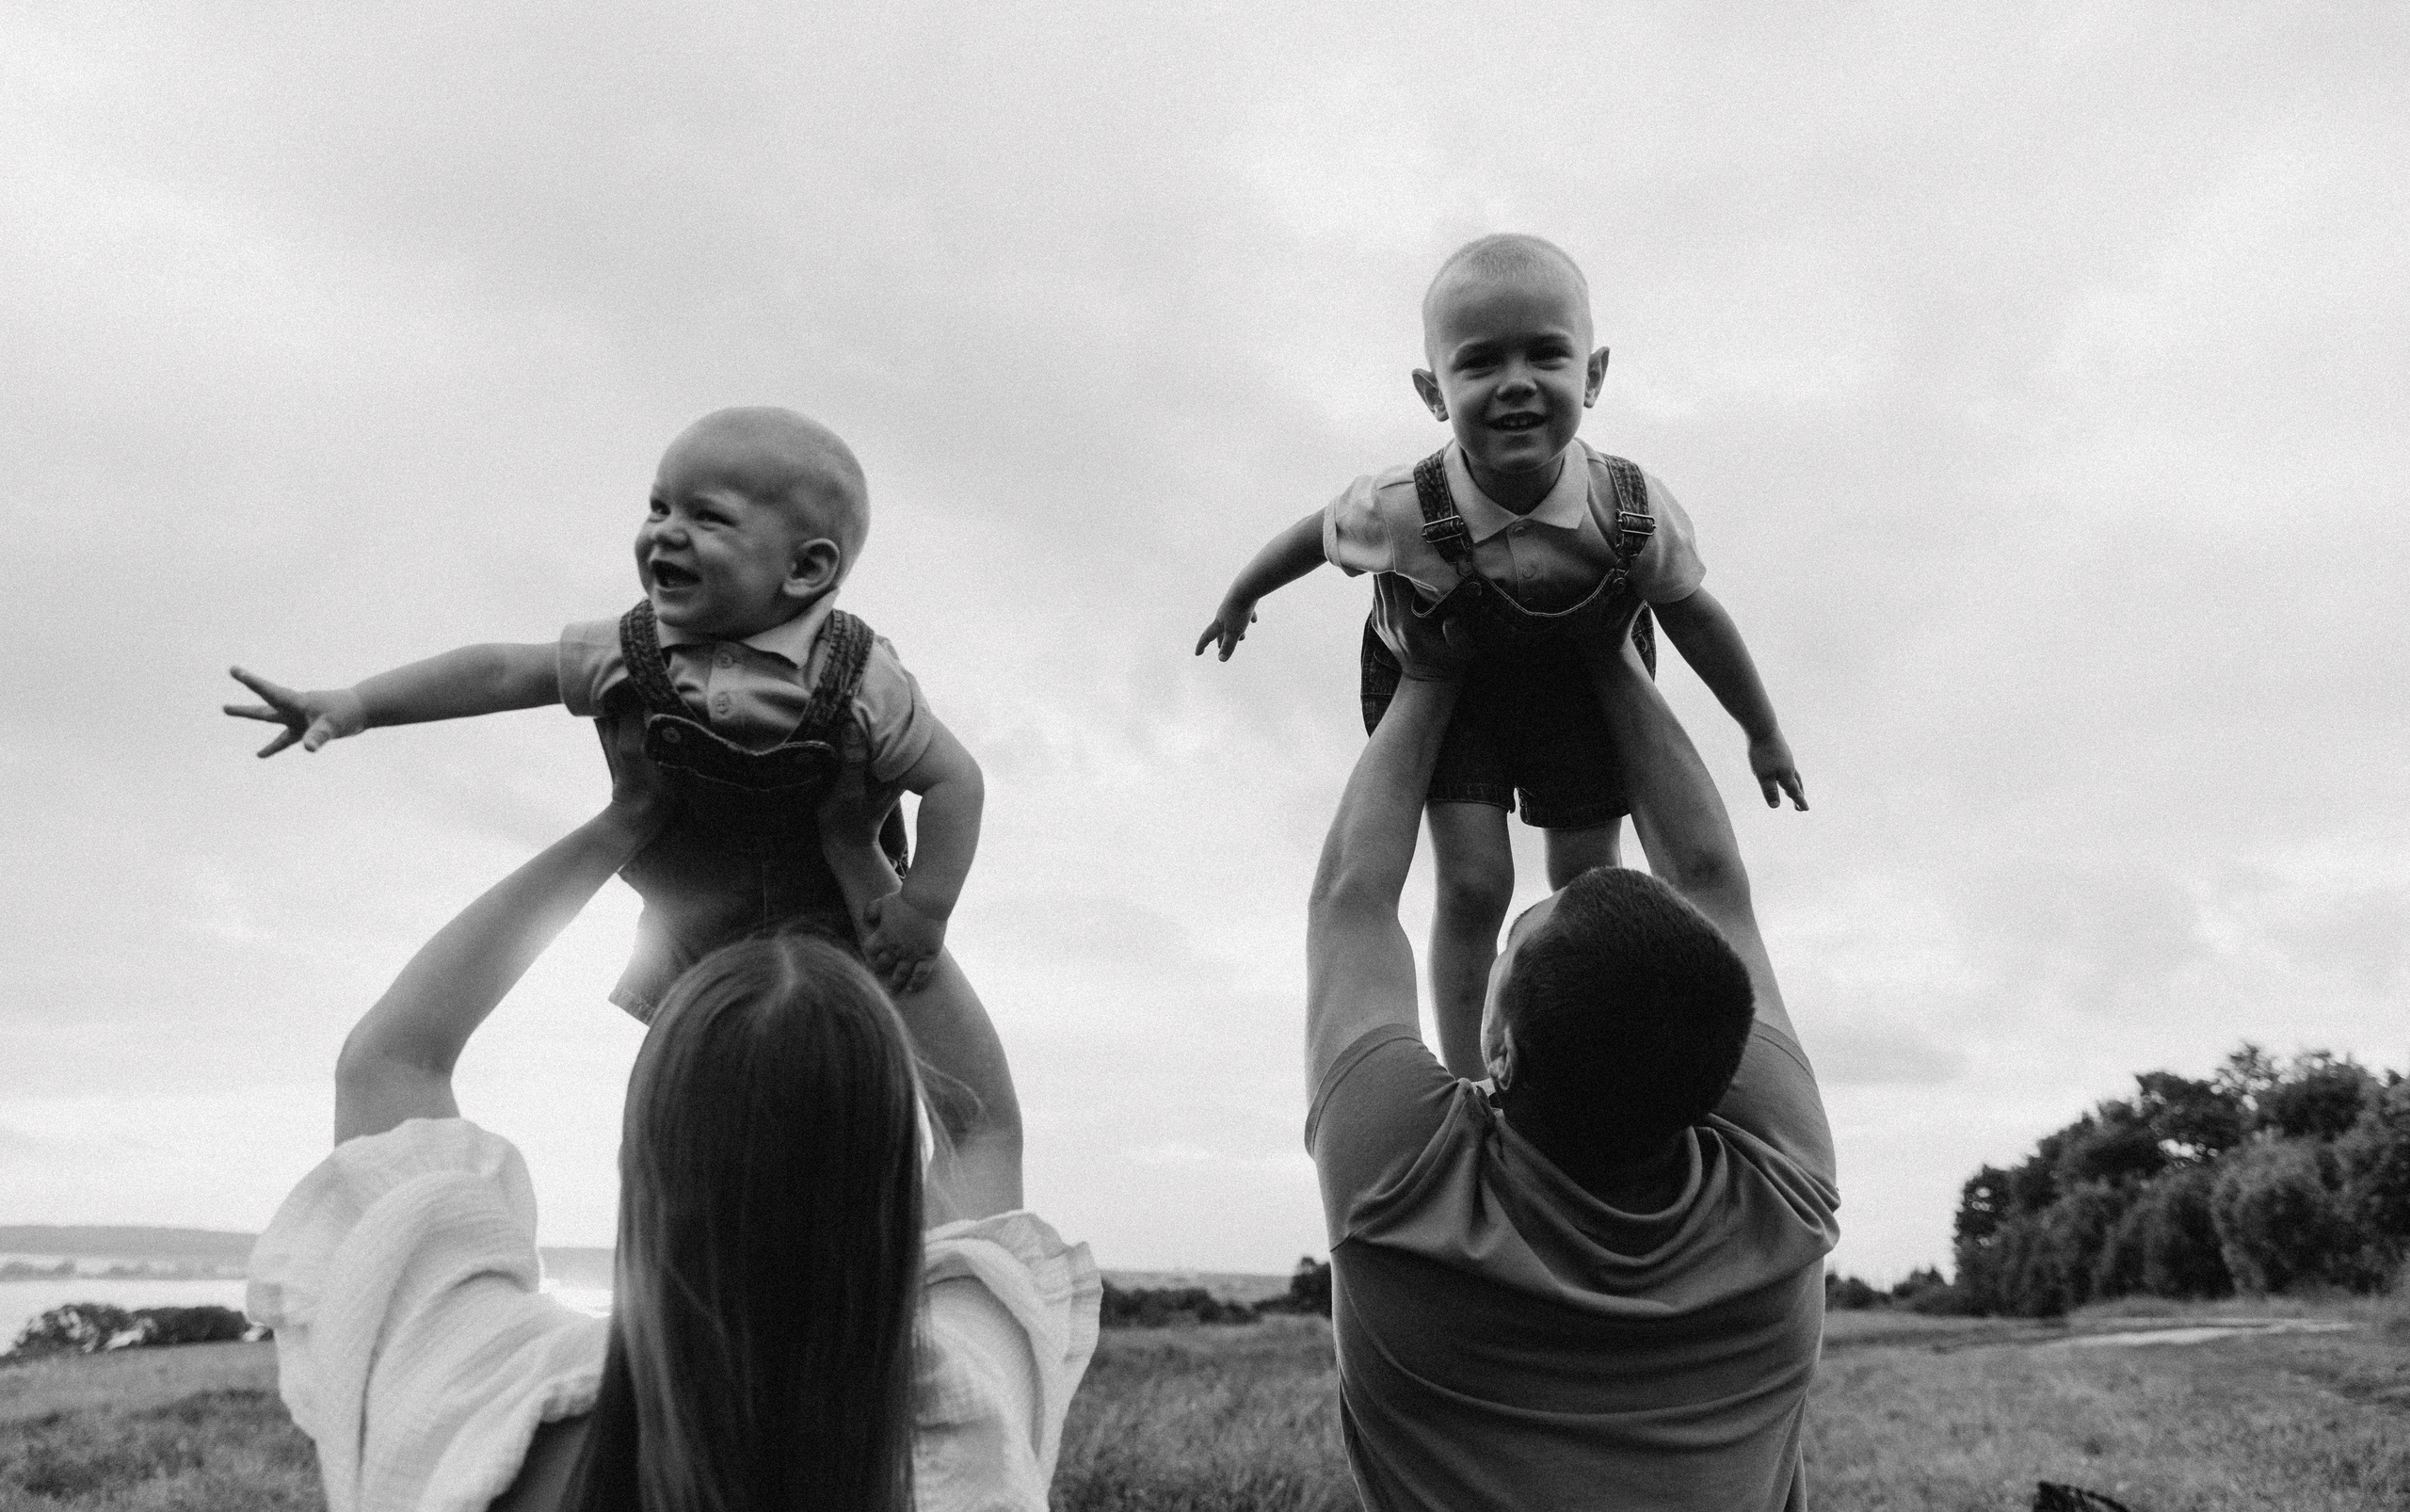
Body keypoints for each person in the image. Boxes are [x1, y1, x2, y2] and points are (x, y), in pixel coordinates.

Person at [245, 720, 1097, 1512]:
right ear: (895, 1194)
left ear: (636, 1164)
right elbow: (980, 1127)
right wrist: (860, 857)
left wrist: (625, 821)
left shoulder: (481, 1415)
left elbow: (392, 1061)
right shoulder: (967, 1435)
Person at [1199, 234, 1804, 1077]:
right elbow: (1315, 535)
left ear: (1592, 376)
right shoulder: (1402, 508)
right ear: (1433, 393)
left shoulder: (1627, 507)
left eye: (1545, 355)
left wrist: (1762, 732)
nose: (1516, 381)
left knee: (1588, 880)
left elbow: (1695, 618)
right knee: (1475, 882)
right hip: (1456, 687)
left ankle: (1589, 1056)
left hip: (1580, 683)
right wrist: (1242, 595)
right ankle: (1475, 1077)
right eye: (1480, 362)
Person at [1301, 604, 1840, 1511]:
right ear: (1730, 1072)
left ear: (1499, 1055)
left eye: (1510, 946)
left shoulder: (1393, 1191)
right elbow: (1709, 881)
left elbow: (1353, 900)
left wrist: (1425, 677)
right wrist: (1614, 655)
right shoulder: (1785, 1202)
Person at [224, 406, 983, 1016]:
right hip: (691, 934)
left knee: (851, 1081)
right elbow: (502, 672)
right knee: (682, 1091)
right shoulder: (636, 648)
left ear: (807, 566)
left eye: (708, 517)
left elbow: (955, 781)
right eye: (658, 506)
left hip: (841, 927)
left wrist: (924, 910)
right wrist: (359, 703)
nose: (665, 531)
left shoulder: (859, 675)